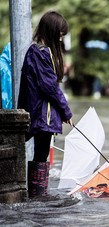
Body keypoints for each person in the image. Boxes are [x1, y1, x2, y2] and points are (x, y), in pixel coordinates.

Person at [18, 11, 73, 198]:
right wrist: (66, 112)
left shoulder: (36, 51)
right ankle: (38, 197)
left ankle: (38, 195)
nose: (60, 39)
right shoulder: (42, 53)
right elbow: (49, 87)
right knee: (41, 156)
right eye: (59, 34)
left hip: (41, 113)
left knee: (41, 156)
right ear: (51, 31)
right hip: (44, 114)